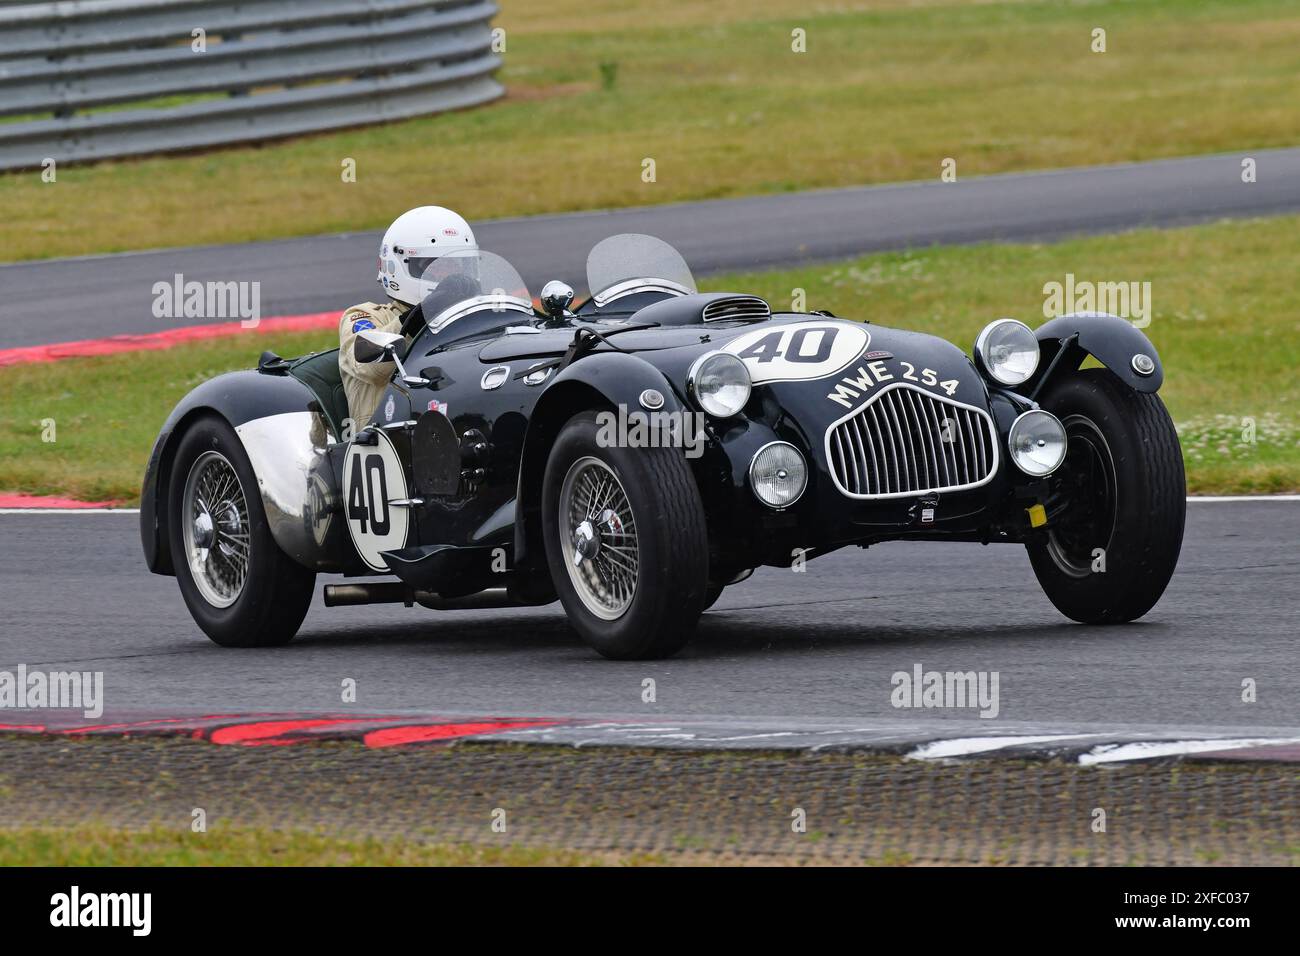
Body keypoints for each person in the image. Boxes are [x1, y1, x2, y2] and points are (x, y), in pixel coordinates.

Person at [339, 205, 477, 424]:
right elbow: (368, 368)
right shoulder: (365, 316)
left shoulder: (467, 319)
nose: (447, 276)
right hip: (386, 442)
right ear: (396, 266)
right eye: (433, 266)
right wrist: (424, 313)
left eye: (455, 266)